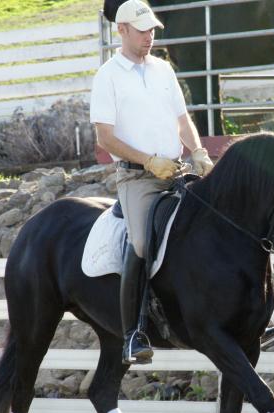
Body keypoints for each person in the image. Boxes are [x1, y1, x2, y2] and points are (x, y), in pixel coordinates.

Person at [90, 0, 214, 365]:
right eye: (143, 31)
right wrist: (148, 161)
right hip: (137, 177)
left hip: (177, 170)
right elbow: (105, 138)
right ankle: (134, 332)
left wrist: (199, 152)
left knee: (215, 219)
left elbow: (182, 119)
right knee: (142, 241)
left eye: (153, 30)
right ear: (122, 30)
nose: (150, 36)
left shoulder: (163, 69)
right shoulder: (108, 75)